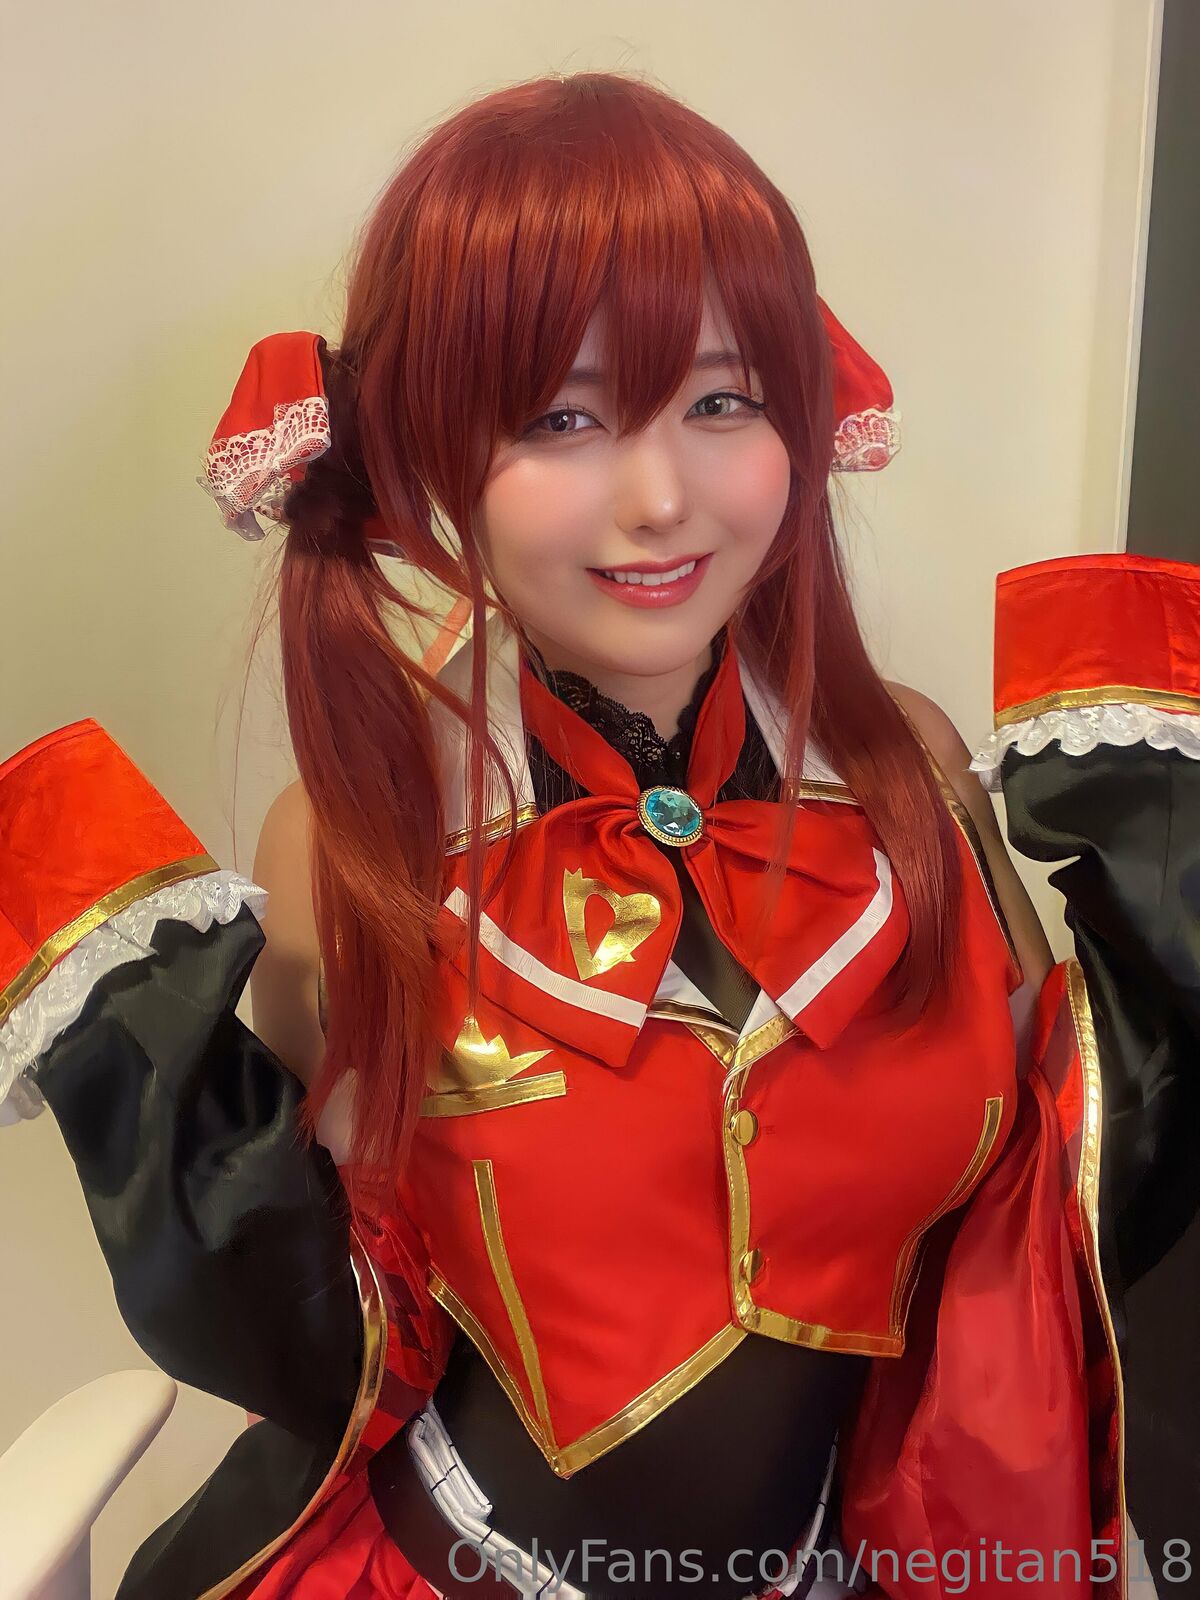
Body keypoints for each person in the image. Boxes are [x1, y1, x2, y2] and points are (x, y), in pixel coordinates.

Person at [2, 70, 1193, 1600]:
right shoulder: (353, 848)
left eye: (721, 402)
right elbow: (317, 1303)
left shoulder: (913, 772)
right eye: (560, 419)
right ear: (431, 458)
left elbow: (1042, 1205)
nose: (662, 498)